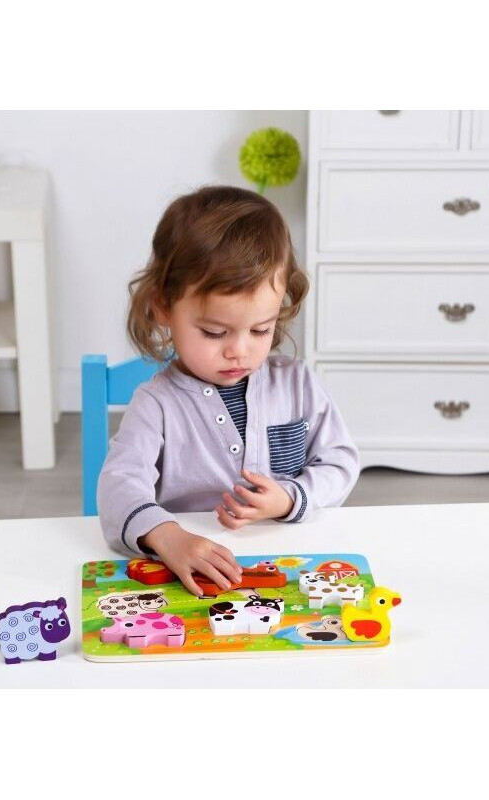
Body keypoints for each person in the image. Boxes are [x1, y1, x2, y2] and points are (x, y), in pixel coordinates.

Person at [98, 185, 360, 595]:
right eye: (214, 332)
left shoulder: (298, 384)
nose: (239, 350)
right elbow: (118, 486)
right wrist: (167, 537)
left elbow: (340, 463)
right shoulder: (156, 405)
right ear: (164, 307)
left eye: (261, 329)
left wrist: (289, 499)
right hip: (191, 576)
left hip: (288, 565)